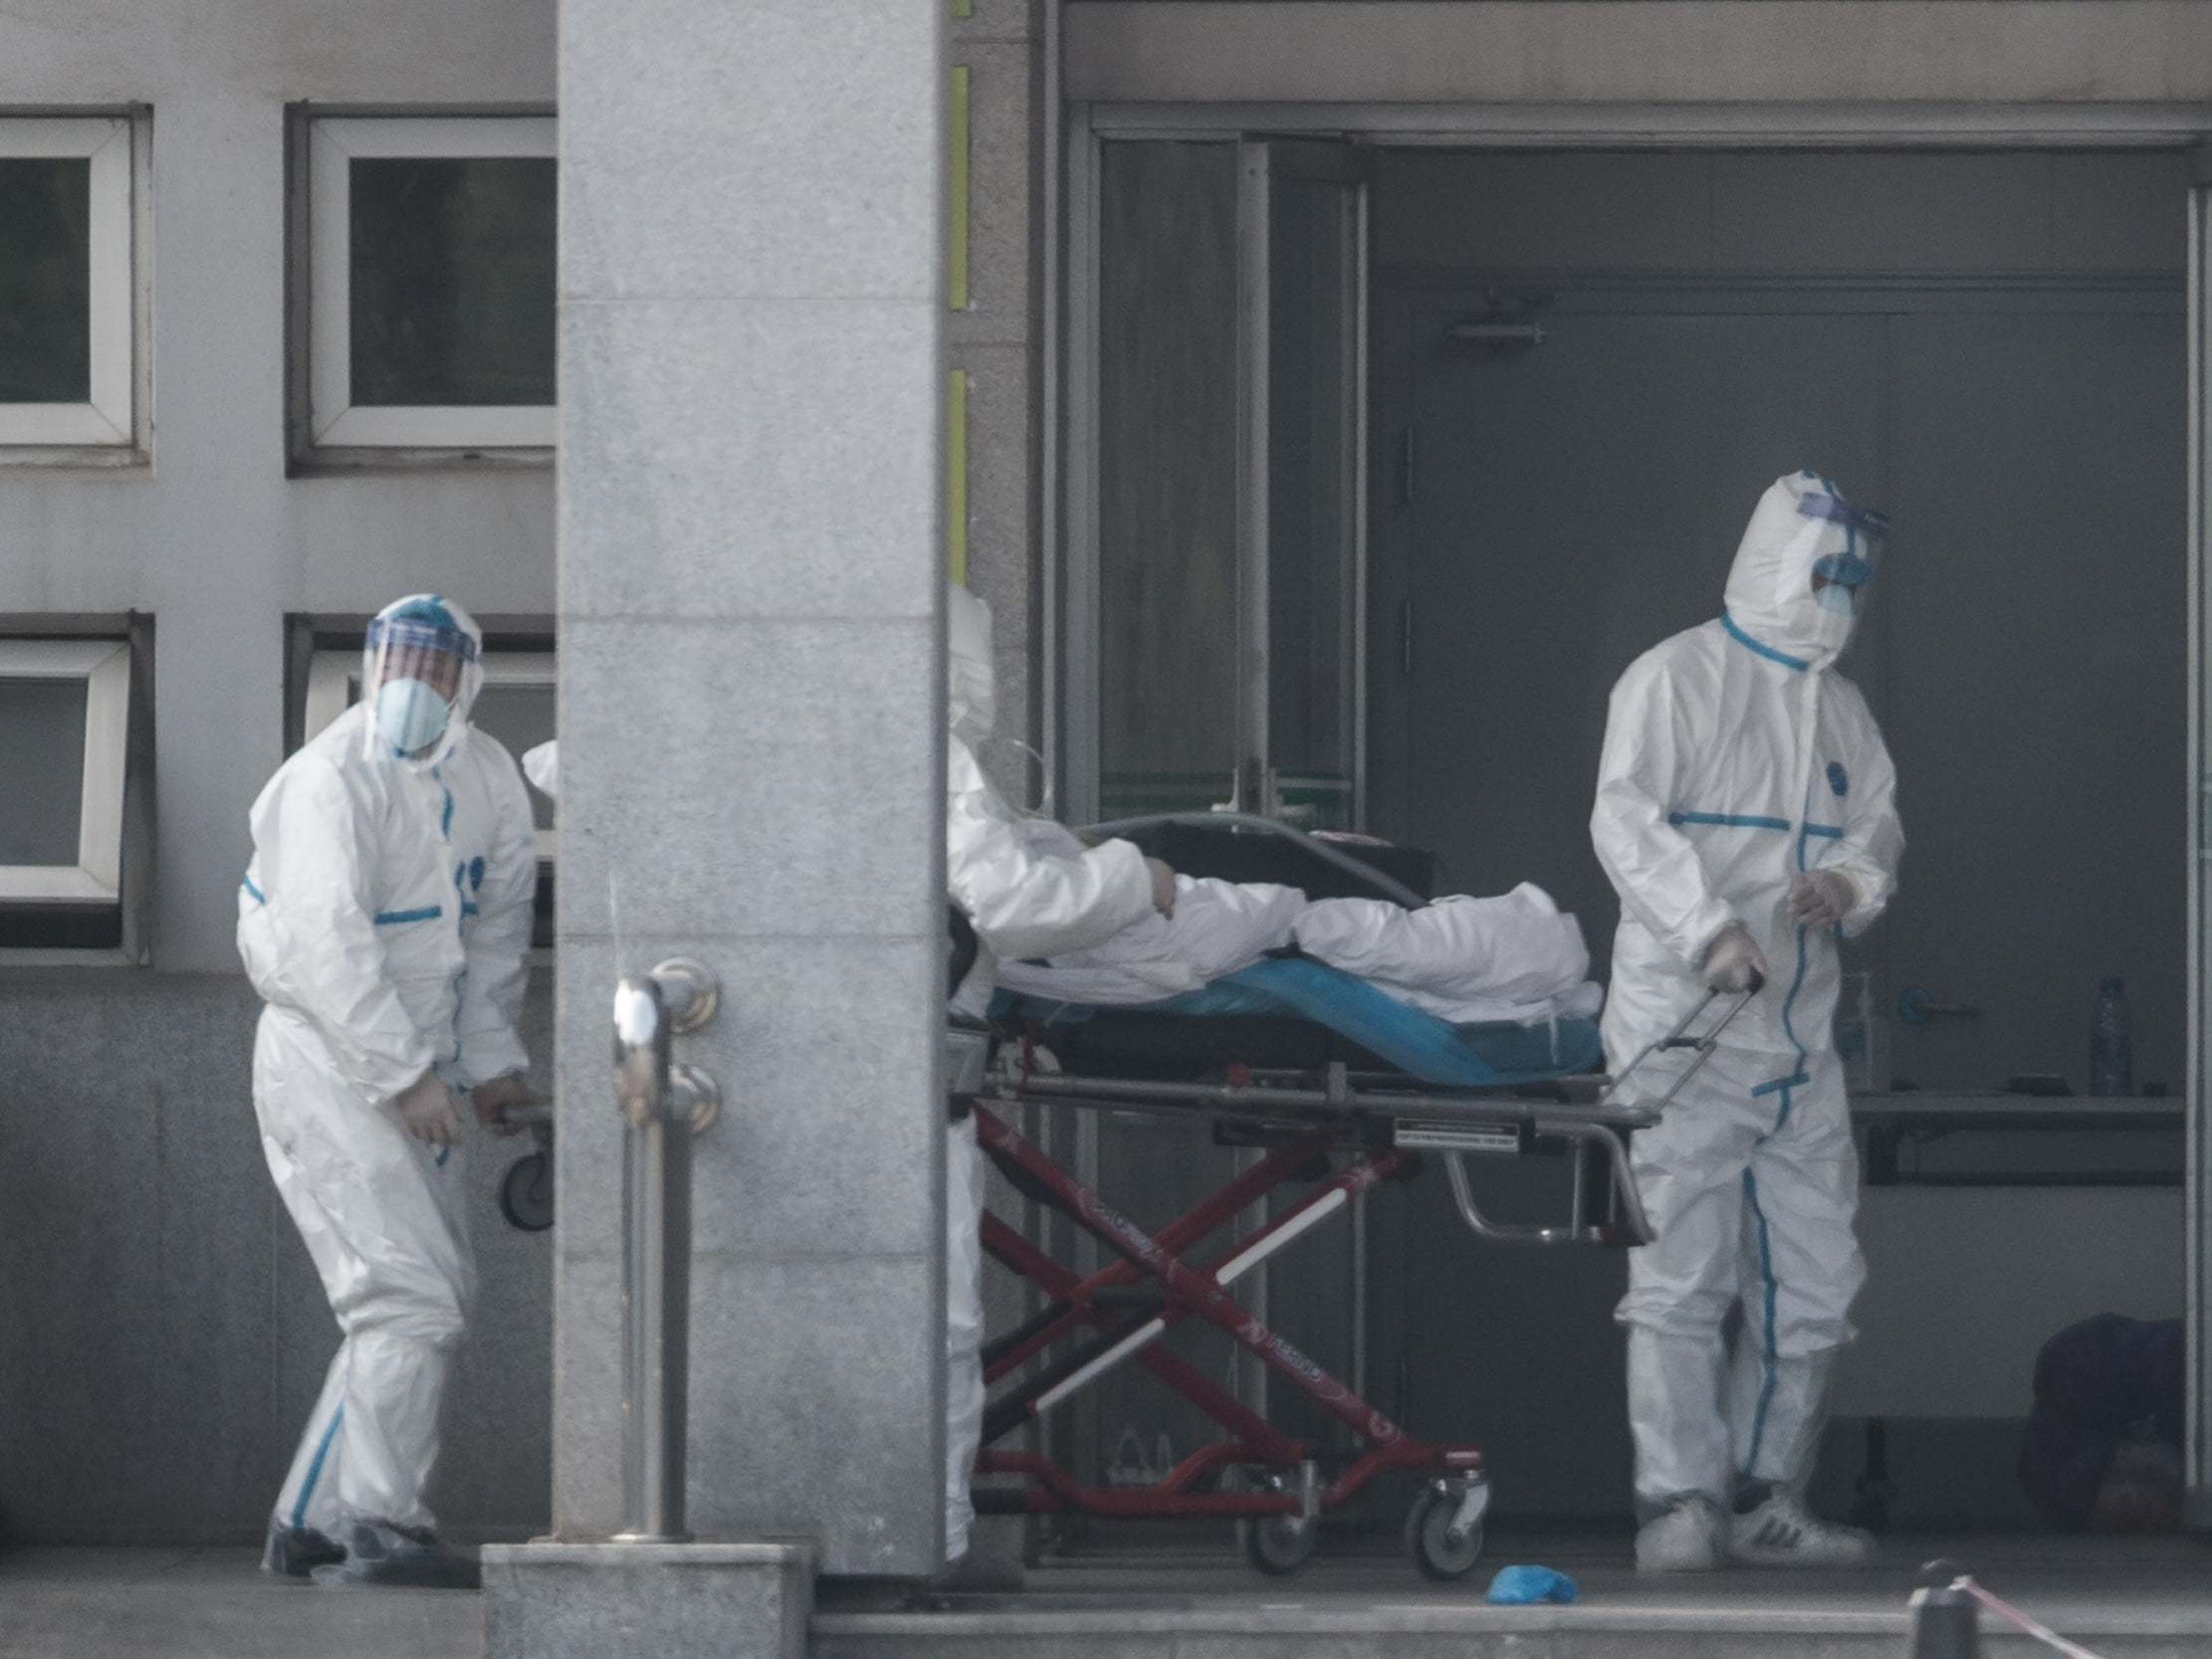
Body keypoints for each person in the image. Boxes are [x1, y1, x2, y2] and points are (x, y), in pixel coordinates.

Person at [1591, 473, 1904, 1572]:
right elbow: (1622, 820)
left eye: (1855, 581)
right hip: (1683, 1031)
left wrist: (1845, 887)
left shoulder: (1841, 710)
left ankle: (1765, 1494)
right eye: (1827, 573)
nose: (1841, 597)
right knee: (1680, 1274)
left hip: (1796, 1039)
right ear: (1778, 562)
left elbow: (1875, 829)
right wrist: (1707, 928)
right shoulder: (1674, 678)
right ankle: (1676, 1500)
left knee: (1816, 1281)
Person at [238, 595, 539, 1587]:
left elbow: (492, 943)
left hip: (424, 1070)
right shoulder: (326, 778)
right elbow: (325, 948)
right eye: (399, 658)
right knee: (412, 1298)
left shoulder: (490, 778)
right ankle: (378, 1520)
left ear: (470, 678)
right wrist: (403, 1074)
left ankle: (313, 1520)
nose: (415, 681)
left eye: (438, 662)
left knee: (407, 1299)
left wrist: (491, 1066)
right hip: (330, 1058)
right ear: (369, 664)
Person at [940, 583, 1175, 1589]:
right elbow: (1018, 903)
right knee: (936, 1312)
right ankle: (929, 1536)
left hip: (886, 1060)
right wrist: (1135, 877)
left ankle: (923, 1529)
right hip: (919, 1073)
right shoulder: (934, 762)